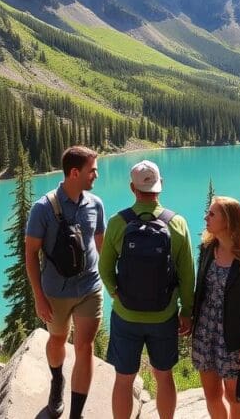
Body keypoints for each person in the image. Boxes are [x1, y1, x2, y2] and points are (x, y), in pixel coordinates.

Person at [99, 160, 195, 419]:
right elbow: (187, 275)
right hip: (163, 315)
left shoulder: (118, 223)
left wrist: (117, 294)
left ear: (133, 188)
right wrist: (186, 311)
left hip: (125, 315)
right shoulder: (176, 223)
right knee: (164, 376)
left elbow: (104, 268)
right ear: (160, 185)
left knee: (124, 379)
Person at [25, 146, 105, 419]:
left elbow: (100, 245)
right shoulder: (42, 209)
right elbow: (30, 253)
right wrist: (38, 296)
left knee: (84, 347)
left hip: (90, 289)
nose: (96, 175)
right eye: (92, 170)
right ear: (75, 173)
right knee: (57, 338)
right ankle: (57, 380)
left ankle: (76, 414)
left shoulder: (96, 204)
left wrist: (111, 280)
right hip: (56, 292)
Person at [192, 196, 240, 419]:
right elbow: (200, 290)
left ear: (229, 220)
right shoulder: (207, 248)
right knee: (212, 395)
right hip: (205, 333)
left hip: (233, 338)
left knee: (234, 396)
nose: (206, 217)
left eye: (212, 214)